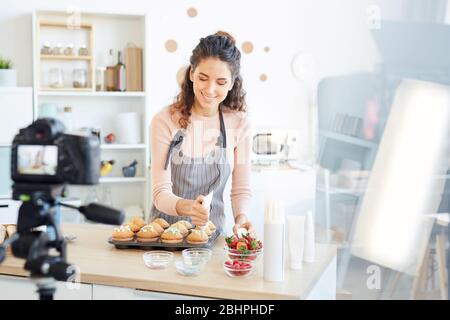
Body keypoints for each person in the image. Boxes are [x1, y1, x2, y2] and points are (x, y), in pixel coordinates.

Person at [150, 31, 254, 235]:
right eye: (203, 78)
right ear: (191, 74)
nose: (210, 89)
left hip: (212, 236)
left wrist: (242, 219)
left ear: (232, 82)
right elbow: (160, 193)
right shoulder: (164, 121)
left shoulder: (240, 123)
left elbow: (240, 188)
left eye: (221, 82)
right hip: (164, 237)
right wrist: (189, 208)